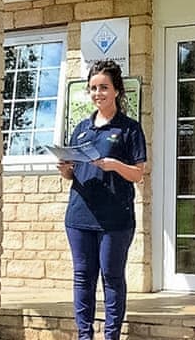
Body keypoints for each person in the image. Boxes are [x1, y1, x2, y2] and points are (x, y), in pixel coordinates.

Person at [57, 59, 147, 340]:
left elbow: (138, 174)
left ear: (117, 90)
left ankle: (111, 336)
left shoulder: (130, 129)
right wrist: (66, 170)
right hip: (79, 217)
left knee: (112, 278)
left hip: (115, 219)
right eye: (93, 88)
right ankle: (84, 336)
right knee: (83, 278)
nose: (98, 93)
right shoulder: (82, 128)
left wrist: (114, 165)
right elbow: (72, 174)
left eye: (104, 87)